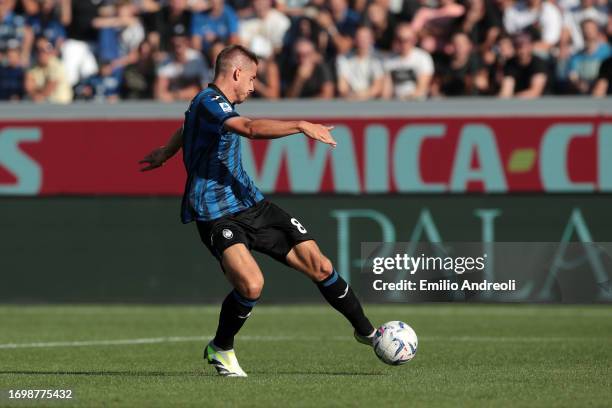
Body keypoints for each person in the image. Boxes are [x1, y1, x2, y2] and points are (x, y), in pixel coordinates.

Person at [139, 45, 376, 377]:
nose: (253, 86)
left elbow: (188, 127)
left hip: (252, 203)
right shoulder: (210, 102)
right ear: (236, 73)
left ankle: (368, 333)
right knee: (251, 285)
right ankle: (221, 348)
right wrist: (301, 125)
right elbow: (249, 129)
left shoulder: (208, 106)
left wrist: (166, 151)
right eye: (252, 78)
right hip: (214, 213)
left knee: (320, 264)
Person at [383, 23, 434, 100]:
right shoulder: (389, 60)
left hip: (417, 104)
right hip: (395, 105)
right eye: (400, 39)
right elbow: (387, 90)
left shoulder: (423, 58)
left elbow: (422, 88)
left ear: (414, 40)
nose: (403, 43)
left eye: (406, 40)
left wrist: (404, 99)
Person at [336, 25, 385, 100]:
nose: (362, 40)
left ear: (372, 40)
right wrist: (355, 97)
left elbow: (377, 88)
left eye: (365, 37)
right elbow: (342, 88)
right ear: (355, 39)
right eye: (359, 37)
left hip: (372, 103)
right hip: (349, 102)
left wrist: (359, 96)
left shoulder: (378, 59)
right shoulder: (343, 59)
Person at [498, 33, 548, 98]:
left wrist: (512, 99)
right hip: (517, 103)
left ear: (531, 46)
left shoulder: (539, 63)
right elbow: (507, 90)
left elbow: (535, 92)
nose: (522, 50)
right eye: (519, 46)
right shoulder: (510, 63)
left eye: (525, 46)